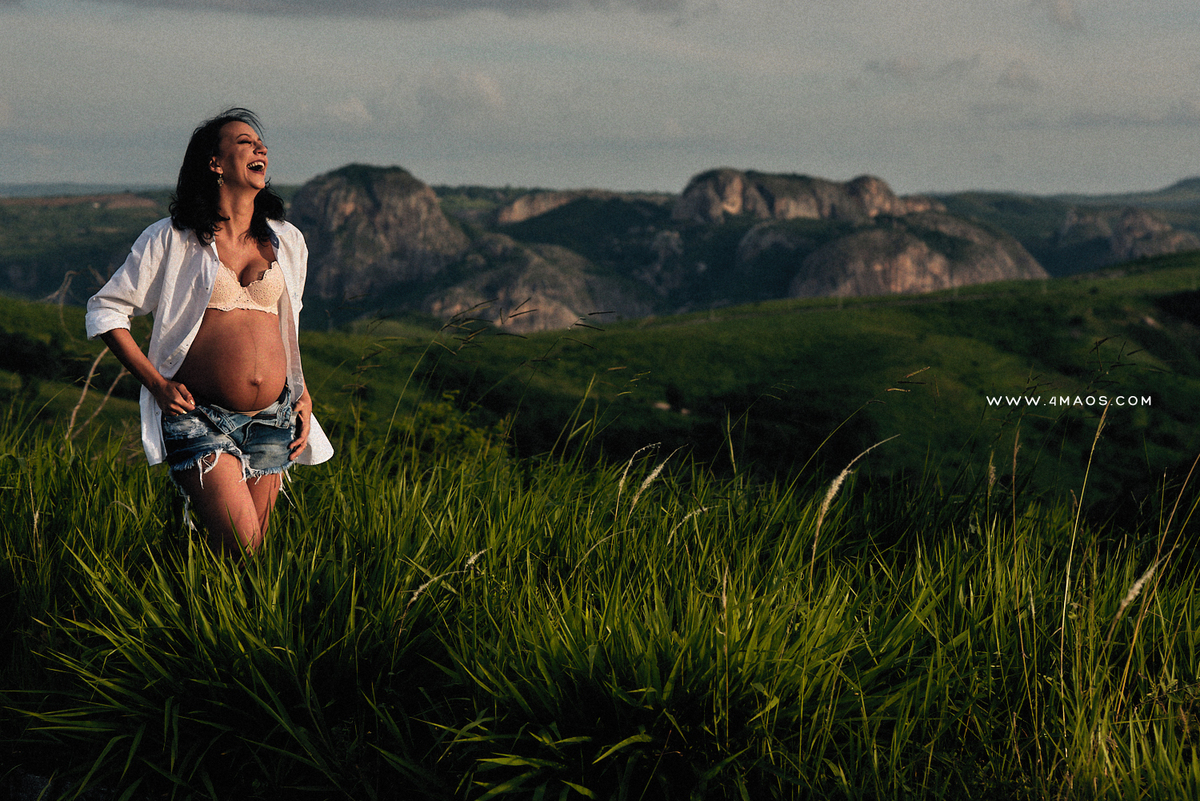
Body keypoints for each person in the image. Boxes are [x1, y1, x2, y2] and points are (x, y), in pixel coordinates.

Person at [85, 108, 334, 555]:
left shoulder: (286, 240)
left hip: (274, 418)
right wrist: (157, 384)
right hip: (201, 418)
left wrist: (300, 389)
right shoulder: (172, 239)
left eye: (260, 142)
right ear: (215, 163)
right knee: (244, 546)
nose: (259, 147)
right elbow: (106, 309)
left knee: (243, 560)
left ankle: (211, 618)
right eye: (243, 141)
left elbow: (287, 324)